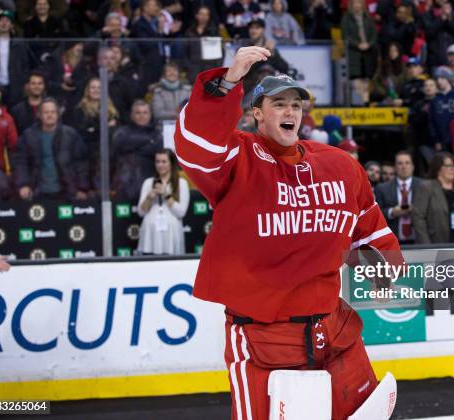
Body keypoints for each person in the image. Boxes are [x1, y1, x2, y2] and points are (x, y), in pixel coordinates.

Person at [173, 46, 403, 420]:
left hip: (334, 329)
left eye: (296, 105)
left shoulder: (338, 164)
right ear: (257, 114)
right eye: (278, 104)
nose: (290, 112)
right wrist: (226, 84)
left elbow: (367, 220)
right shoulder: (237, 158)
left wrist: (385, 266)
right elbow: (196, 145)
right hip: (264, 336)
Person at [12, 98, 89, 201]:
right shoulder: (28, 136)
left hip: (67, 192)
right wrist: (23, 185)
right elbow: (21, 162)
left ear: (58, 114)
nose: (50, 115)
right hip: (37, 191)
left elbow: (81, 163)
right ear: (39, 115)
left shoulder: (70, 134)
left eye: (53, 112)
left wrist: (82, 188)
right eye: (46, 112)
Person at [67, 77, 120, 192]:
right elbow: (82, 133)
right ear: (88, 90)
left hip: (108, 156)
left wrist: (95, 129)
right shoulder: (79, 110)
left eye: (99, 88)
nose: (96, 90)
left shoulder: (112, 111)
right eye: (93, 87)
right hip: (87, 155)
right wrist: (102, 127)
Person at [137, 149, 190, 255]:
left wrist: (166, 194)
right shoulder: (148, 182)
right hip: (150, 235)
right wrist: (149, 198)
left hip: (171, 235)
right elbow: (141, 212)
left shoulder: (181, 183)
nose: (160, 165)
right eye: (158, 161)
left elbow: (181, 212)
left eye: (164, 162)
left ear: (171, 163)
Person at [412, 152, 454, 243]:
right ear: (438, 168)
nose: (452, 169)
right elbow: (418, 218)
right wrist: (426, 245)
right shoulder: (426, 187)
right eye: (448, 166)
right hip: (436, 242)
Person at [111, 100, 162, 202]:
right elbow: (120, 143)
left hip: (150, 185)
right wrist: (147, 140)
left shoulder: (157, 133)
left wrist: (133, 147)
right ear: (132, 115)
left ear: (150, 115)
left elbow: (156, 148)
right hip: (125, 186)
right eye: (138, 113)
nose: (141, 116)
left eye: (145, 112)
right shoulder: (123, 131)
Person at [0, 10, 30, 106]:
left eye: (7, 20)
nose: (4, 23)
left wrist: (22, 82)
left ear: (11, 25)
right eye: (1, 20)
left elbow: (26, 65)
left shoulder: (20, 44)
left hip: (14, 87)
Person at [375, 151, 422, 243]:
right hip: (393, 241)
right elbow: (376, 214)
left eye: (407, 163)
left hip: (418, 239)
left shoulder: (424, 185)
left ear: (413, 166)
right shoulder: (382, 188)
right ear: (395, 167)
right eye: (400, 163)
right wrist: (392, 212)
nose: (404, 167)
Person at [342, 0, 378, 105]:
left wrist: (369, 44)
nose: (357, 6)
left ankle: (366, 101)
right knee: (356, 77)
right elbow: (345, 36)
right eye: (355, 4)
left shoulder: (368, 18)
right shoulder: (346, 19)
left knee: (367, 77)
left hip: (368, 51)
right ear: (351, 5)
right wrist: (357, 44)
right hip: (353, 52)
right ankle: (357, 102)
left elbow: (374, 34)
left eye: (359, 3)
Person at [423, 0, 454, 69]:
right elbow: (428, 33)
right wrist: (441, 19)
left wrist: (449, 19)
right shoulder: (428, 15)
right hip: (435, 59)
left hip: (453, 58)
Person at [429, 66, 454, 152]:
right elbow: (431, 121)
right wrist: (436, 140)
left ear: (448, 79)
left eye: (442, 78)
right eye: (437, 78)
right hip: (442, 141)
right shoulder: (434, 100)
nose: (439, 81)